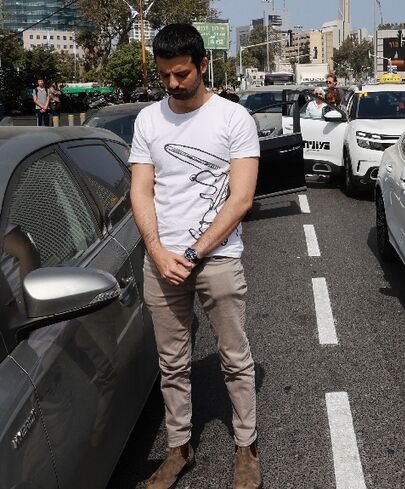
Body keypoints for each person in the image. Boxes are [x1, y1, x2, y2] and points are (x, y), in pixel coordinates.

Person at [128, 24, 262, 489]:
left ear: (203, 65)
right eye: (165, 75)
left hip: (218, 259)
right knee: (171, 363)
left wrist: (192, 252)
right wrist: (157, 251)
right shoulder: (148, 121)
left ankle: (246, 446)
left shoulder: (233, 118)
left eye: (182, 74)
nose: (173, 83)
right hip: (161, 261)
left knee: (234, 358)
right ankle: (178, 448)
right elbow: (141, 190)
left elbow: (241, 198)